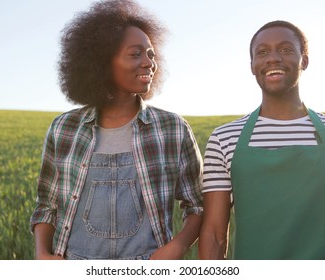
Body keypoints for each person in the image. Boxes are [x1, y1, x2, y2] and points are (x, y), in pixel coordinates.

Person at [198, 20, 325, 260]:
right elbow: (215, 236)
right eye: (262, 52)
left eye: (286, 49)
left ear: (305, 61)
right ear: (252, 65)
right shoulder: (224, 139)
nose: (273, 58)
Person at [30, 0, 203, 260]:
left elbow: (197, 204)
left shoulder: (173, 129)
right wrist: (43, 255)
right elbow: (47, 205)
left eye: (151, 54)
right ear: (102, 62)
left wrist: (177, 246)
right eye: (136, 54)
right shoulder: (64, 129)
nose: (149, 63)